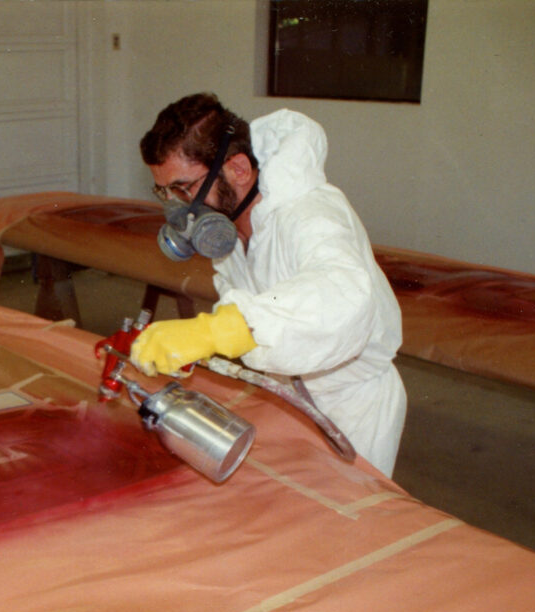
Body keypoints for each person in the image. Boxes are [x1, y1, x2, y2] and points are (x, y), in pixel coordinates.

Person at [130, 93, 406, 477]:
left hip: (351, 404)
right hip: (290, 396)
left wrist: (222, 330)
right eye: (166, 192)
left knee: (346, 525)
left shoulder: (310, 213)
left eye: (184, 189)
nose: (179, 208)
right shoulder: (229, 229)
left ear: (238, 170)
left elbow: (341, 297)